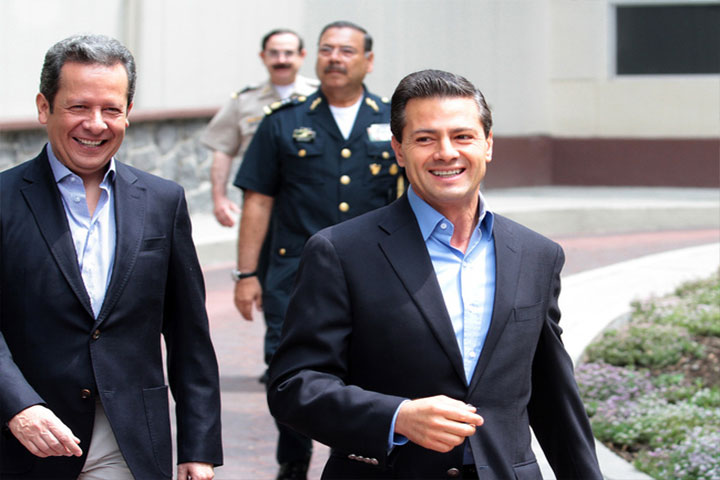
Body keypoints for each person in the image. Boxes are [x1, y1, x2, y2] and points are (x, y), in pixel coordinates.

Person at [266, 70, 604, 479]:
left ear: (488, 144)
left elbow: (553, 396)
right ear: (399, 149)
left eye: (462, 136)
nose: (446, 153)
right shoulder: (340, 252)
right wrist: (397, 417)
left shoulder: (537, 255)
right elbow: (294, 386)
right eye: (425, 139)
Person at [0, 34, 222, 480]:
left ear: (128, 113)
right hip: (23, 440)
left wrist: (198, 448)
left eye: (111, 109)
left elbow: (190, 336)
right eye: (79, 107)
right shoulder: (4, 199)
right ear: (44, 107)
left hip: (129, 442)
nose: (96, 124)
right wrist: (18, 406)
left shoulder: (163, 201)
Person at [233, 21, 403, 480]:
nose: (335, 58)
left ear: (368, 61)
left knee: (367, 367)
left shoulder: (394, 121)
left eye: (346, 50)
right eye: (327, 49)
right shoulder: (283, 121)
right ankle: (293, 458)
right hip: (294, 275)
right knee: (286, 367)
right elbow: (258, 201)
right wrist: (246, 274)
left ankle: (356, 457)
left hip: (374, 275)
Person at [200, 29, 319, 227]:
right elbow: (223, 149)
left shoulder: (319, 97)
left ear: (302, 55)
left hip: (312, 202)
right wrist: (219, 198)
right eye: (274, 53)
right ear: (263, 56)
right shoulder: (244, 100)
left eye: (288, 53)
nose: (281, 60)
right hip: (259, 201)